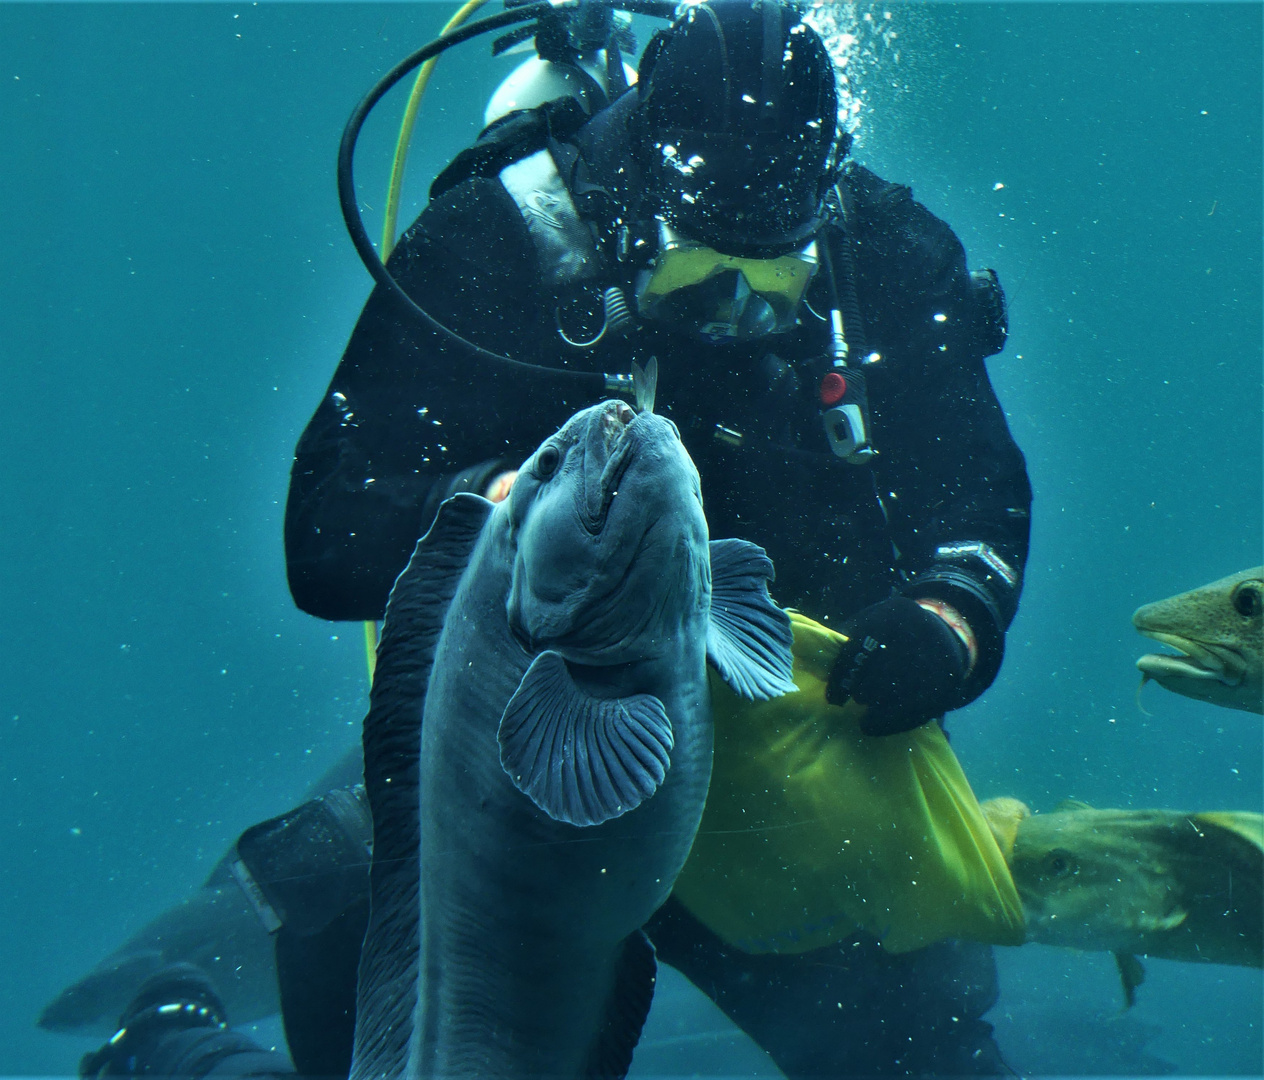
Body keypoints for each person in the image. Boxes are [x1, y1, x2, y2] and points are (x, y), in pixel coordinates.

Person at [86, 1, 1031, 1076]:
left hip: (796, 751)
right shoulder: (498, 241)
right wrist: (515, 509)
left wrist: (948, 618)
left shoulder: (888, 251)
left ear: (824, 198)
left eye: (777, 279)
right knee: (409, 1025)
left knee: (929, 1055)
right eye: (703, 274)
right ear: (641, 207)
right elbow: (329, 530)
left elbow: (975, 492)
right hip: (524, 737)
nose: (743, 312)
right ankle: (176, 1050)